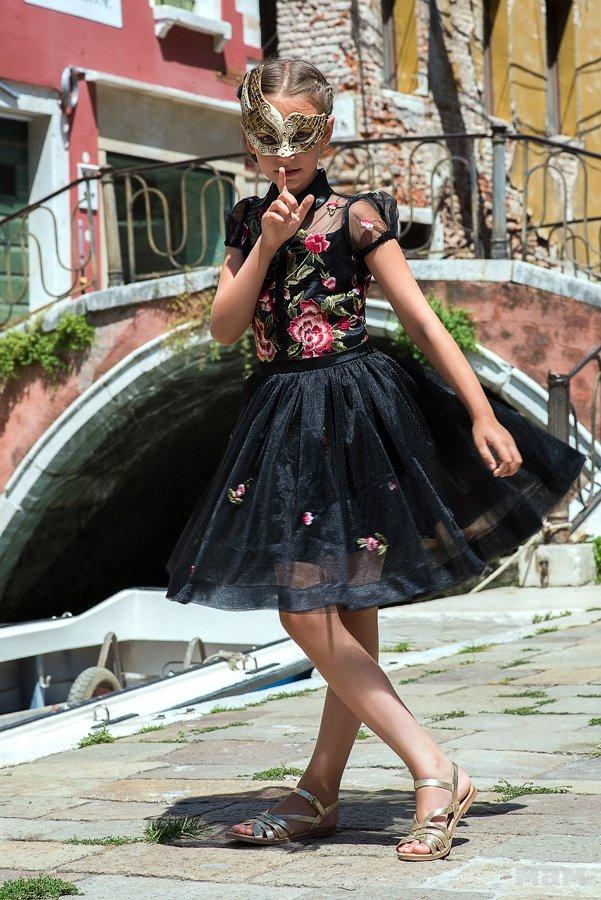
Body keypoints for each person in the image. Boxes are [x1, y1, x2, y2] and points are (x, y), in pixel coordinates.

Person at [165, 58, 586, 861]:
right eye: (265, 137)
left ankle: (433, 768)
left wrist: (480, 413)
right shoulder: (248, 221)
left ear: (325, 136)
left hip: (355, 417)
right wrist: (268, 244)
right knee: (331, 611)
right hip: (281, 419)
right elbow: (223, 328)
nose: (282, 154)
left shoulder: (355, 216)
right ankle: (321, 790)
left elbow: (421, 320)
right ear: (247, 141)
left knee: (313, 609)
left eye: (297, 136)